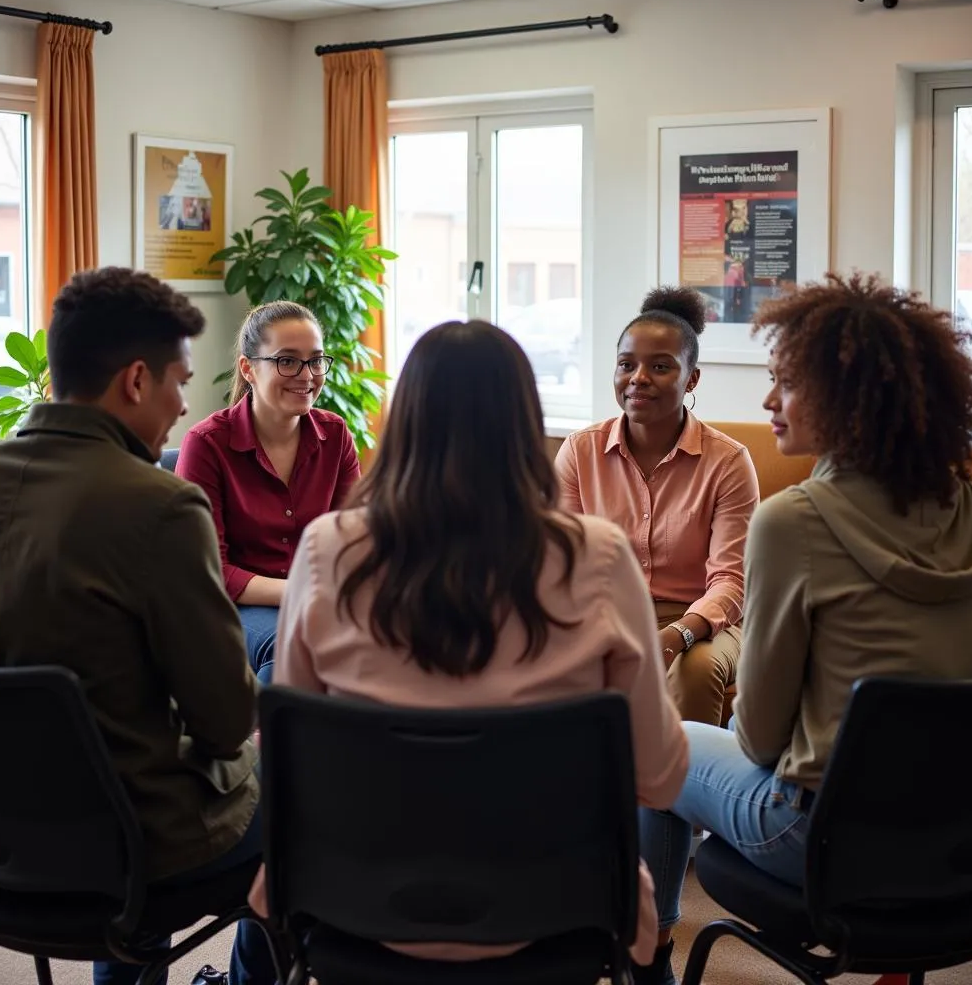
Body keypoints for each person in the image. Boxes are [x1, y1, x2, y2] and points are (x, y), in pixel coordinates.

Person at [247, 319, 689, 982]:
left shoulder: (328, 549)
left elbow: (293, 763)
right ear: (524, 425)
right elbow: (659, 777)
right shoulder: (596, 555)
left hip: (355, 901)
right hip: (557, 905)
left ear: (404, 421)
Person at [639, 272, 972, 985]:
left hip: (817, 839)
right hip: (955, 842)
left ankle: (649, 958)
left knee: (655, 748)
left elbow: (760, 738)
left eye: (784, 383)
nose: (767, 402)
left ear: (849, 402)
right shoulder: (971, 508)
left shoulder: (794, 521)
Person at [0, 267, 276, 985]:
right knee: (303, 788)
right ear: (136, 380)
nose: (185, 405)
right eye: (179, 382)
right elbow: (225, 719)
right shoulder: (160, 507)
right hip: (132, 856)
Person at [555, 287, 759, 729]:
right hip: (609, 612)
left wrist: (680, 632)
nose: (638, 378)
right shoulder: (579, 452)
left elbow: (731, 580)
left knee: (696, 669)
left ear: (692, 379)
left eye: (660, 367)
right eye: (627, 365)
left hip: (706, 620)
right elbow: (563, 563)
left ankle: (683, 796)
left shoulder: (728, 462)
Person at [176, 301, 360, 685]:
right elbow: (208, 569)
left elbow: (353, 542)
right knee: (288, 645)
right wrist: (304, 591)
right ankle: (277, 744)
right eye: (287, 361)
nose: (306, 375)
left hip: (319, 598)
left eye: (315, 360)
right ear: (248, 368)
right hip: (241, 606)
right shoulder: (207, 444)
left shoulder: (336, 436)